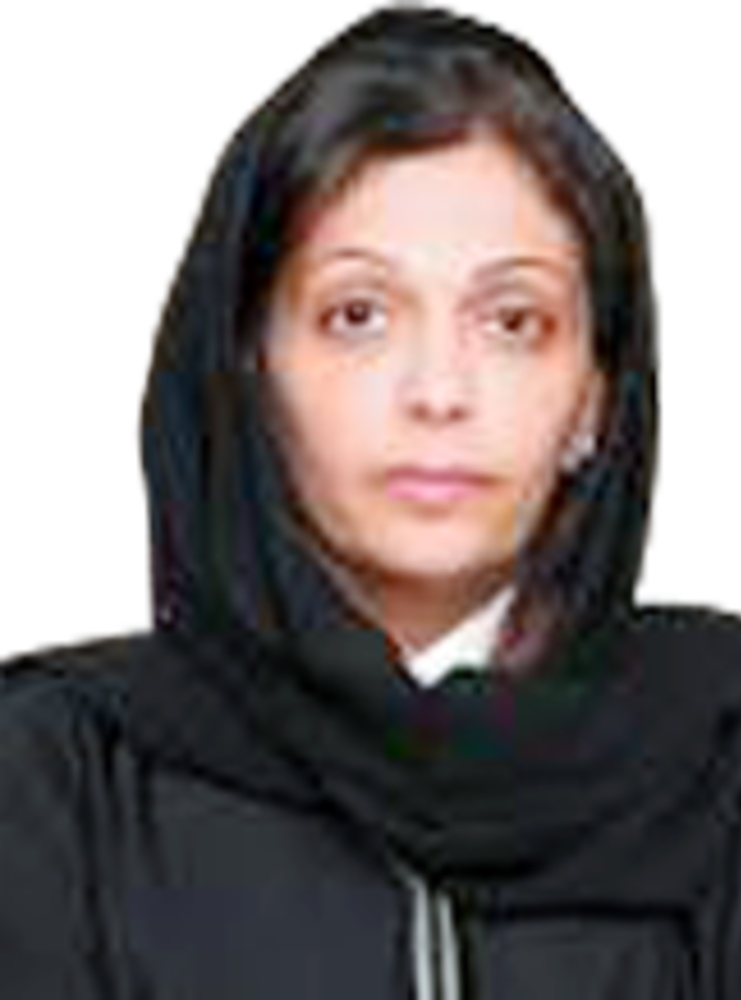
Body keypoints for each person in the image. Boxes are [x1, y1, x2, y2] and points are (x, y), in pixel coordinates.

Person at [1, 4, 741, 997]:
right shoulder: (57, 770)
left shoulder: (717, 758)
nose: (438, 391)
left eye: (514, 321)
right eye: (357, 315)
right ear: (249, 371)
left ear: (594, 401)